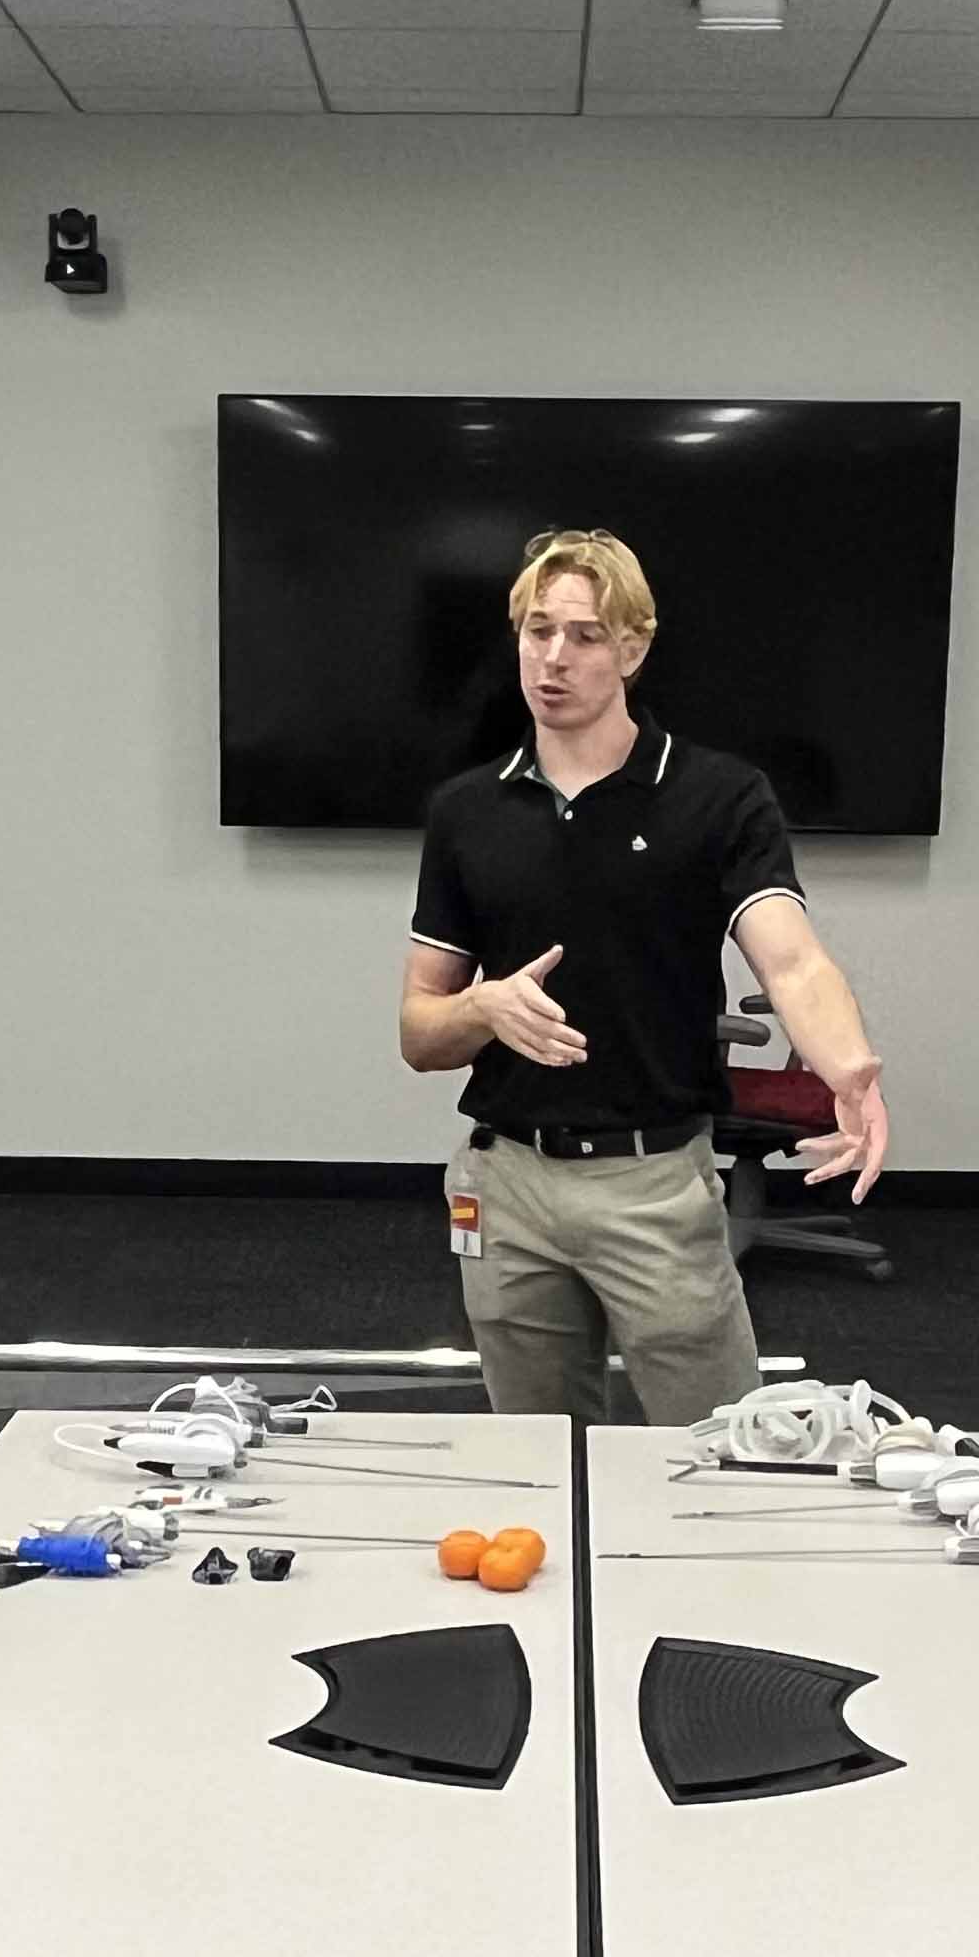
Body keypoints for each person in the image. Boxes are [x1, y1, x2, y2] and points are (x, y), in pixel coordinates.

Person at [400, 527, 895, 1423]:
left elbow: (791, 958)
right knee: (540, 1459)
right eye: (537, 630)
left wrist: (847, 1068)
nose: (554, 657)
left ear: (632, 649)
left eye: (585, 635)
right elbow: (420, 1033)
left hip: (654, 1187)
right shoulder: (467, 811)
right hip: (504, 1188)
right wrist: (485, 1007)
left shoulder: (718, 796)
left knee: (726, 1451)